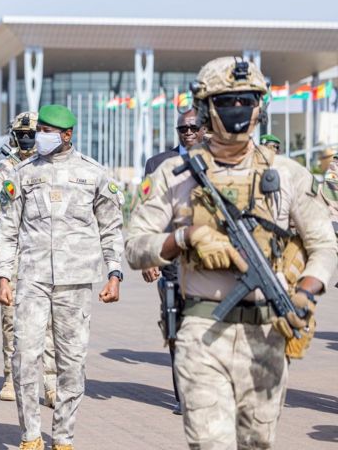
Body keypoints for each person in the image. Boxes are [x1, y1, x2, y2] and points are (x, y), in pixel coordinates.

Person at [125, 56, 337, 449]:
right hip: (202, 332)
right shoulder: (174, 174)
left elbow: (324, 245)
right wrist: (184, 237)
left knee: (258, 442)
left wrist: (306, 292)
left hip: (268, 333)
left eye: (246, 101)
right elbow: (135, 246)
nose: (237, 110)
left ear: (260, 109)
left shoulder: (289, 174)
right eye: (226, 102)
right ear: (206, 108)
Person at [0, 104, 123, 450]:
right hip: (32, 280)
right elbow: (7, 229)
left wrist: (114, 273)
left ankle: (64, 438)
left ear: (67, 135)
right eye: (39, 130)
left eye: (47, 131)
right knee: (25, 357)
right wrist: (4, 276)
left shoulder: (94, 174)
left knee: (72, 363)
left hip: (76, 282)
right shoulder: (22, 174)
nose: (40, 136)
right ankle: (30, 436)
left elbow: (111, 228)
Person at [0, 112, 56, 406]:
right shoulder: (3, 168)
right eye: (21, 135)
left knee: (49, 321)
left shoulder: (51, 166)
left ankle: (51, 383)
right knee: (11, 320)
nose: (26, 140)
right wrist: (6, 193)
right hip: (14, 253)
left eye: (31, 134)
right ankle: (11, 377)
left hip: (45, 251)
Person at [139, 107, 207, 415]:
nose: (189, 133)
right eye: (183, 129)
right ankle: (185, 396)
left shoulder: (222, 161)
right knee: (176, 326)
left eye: (194, 127)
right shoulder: (157, 164)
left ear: (204, 129)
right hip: (172, 259)